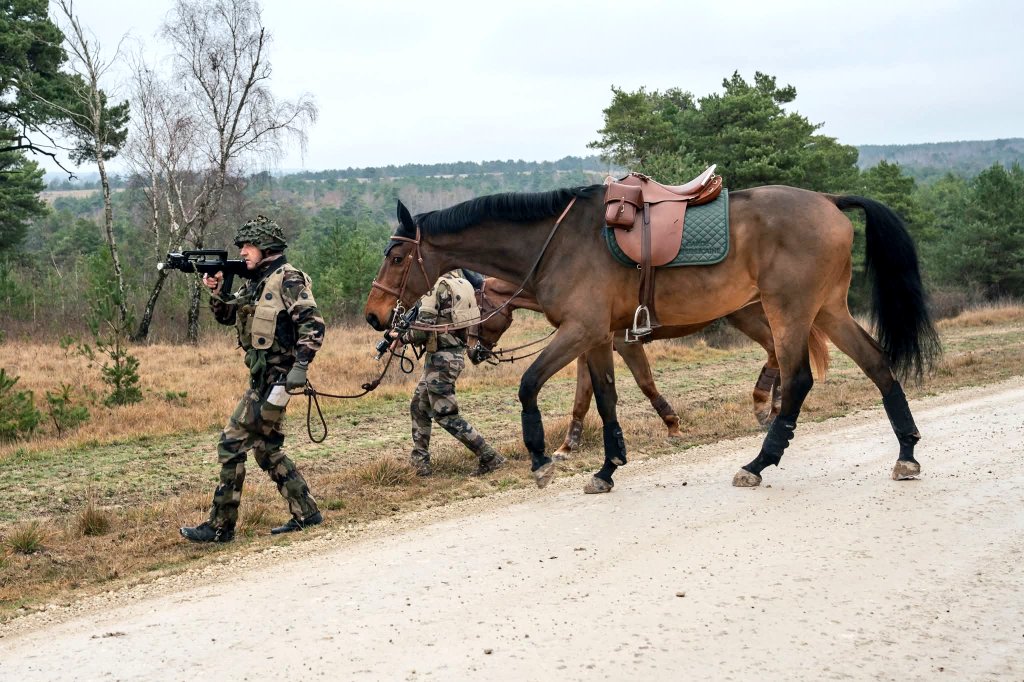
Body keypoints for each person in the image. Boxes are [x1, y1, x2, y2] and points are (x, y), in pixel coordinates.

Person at [180, 215, 325, 543]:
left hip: (278, 381)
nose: (243, 252)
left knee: (231, 443)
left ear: (266, 247)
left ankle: (220, 527)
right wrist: (217, 290)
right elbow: (228, 315)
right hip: (264, 380)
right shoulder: (258, 281)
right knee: (265, 447)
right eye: (242, 247)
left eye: (248, 246)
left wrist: (300, 369)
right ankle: (307, 512)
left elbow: (314, 325)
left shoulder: (287, 279)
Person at [397, 271, 505, 477]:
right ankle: (420, 462)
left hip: (441, 359)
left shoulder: (435, 287)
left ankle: (490, 457)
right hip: (453, 355)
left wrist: (400, 337)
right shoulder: (462, 284)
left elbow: (421, 331)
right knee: (419, 405)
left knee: (445, 414)